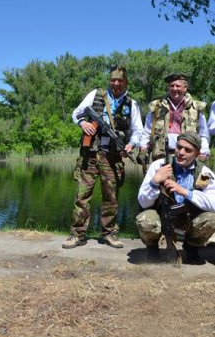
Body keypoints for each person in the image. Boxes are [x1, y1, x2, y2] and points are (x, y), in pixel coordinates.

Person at [62, 65, 143, 249]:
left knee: (111, 197)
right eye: (113, 80)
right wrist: (83, 123)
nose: (116, 83)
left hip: (113, 157)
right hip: (89, 155)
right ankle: (77, 235)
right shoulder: (95, 95)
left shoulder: (132, 103)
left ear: (125, 82)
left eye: (120, 80)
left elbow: (138, 130)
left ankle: (109, 234)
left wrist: (131, 144)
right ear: (110, 80)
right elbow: (76, 113)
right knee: (82, 196)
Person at [136, 131, 215, 264]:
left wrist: (185, 192)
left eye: (188, 150)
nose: (181, 152)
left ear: (197, 153)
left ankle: (191, 248)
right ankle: (152, 248)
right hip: (162, 216)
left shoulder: (204, 173)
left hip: (188, 219)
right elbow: (143, 202)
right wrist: (155, 181)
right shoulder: (158, 166)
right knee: (145, 220)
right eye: (179, 147)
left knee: (211, 219)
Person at [137, 73, 210, 166]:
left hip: (188, 160)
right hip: (160, 158)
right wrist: (143, 149)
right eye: (172, 86)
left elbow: (203, 135)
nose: (175, 89)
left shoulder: (196, 109)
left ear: (185, 88)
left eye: (178, 86)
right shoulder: (156, 107)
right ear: (168, 88)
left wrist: (203, 152)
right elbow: (147, 132)